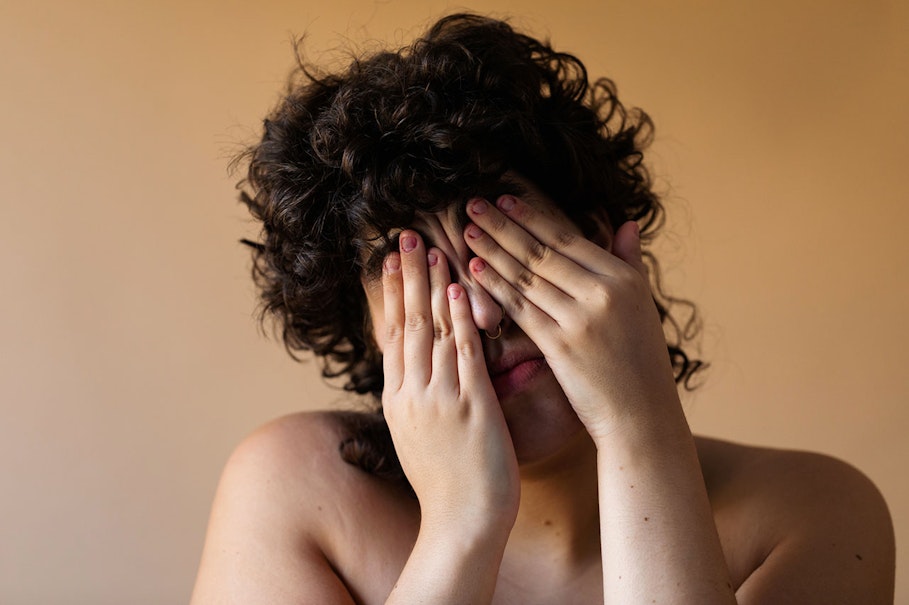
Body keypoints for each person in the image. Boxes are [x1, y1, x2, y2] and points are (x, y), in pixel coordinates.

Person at [191, 13, 895, 604]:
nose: (485, 317)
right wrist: (461, 527)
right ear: (367, 331)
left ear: (600, 245)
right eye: (419, 280)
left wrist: (636, 428)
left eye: (507, 248)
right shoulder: (299, 493)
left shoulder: (814, 512)